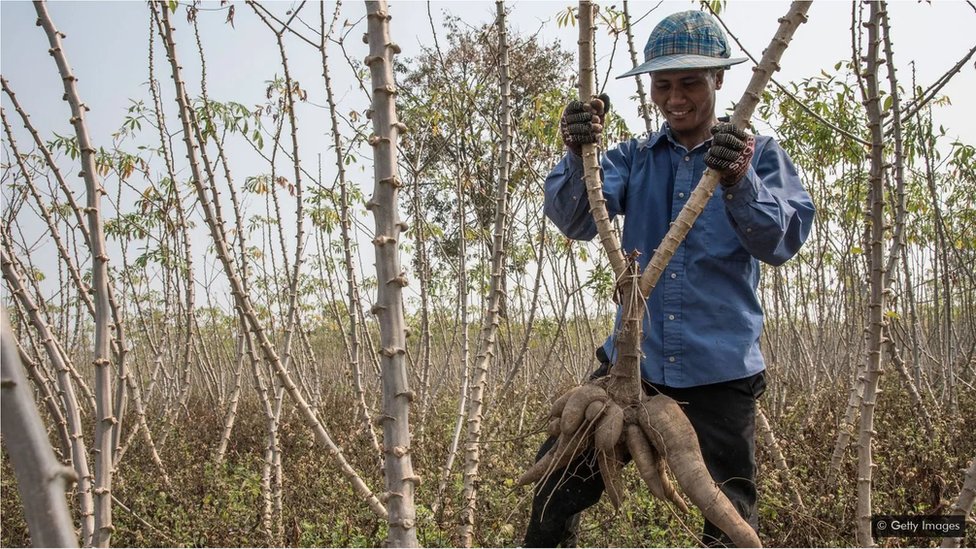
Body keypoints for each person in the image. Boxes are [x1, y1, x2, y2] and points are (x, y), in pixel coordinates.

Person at [523, 10, 815, 548]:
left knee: (728, 519)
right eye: (663, 85)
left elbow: (780, 243)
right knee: (553, 493)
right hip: (632, 366)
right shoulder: (634, 159)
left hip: (719, 374)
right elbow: (575, 219)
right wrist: (577, 152)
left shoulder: (762, 158)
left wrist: (738, 178)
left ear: (718, 80)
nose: (675, 99)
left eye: (690, 83)